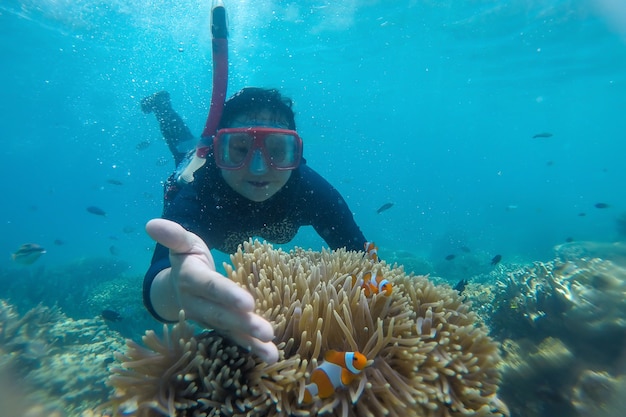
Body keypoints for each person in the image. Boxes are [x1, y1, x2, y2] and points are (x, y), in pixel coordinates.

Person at [141, 87, 367, 364]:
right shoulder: (198, 194)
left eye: (277, 150)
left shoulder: (310, 190)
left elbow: (363, 256)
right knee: (183, 147)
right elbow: (158, 278)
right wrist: (175, 287)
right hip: (194, 164)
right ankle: (163, 107)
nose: (259, 168)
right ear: (216, 150)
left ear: (296, 153)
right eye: (238, 149)